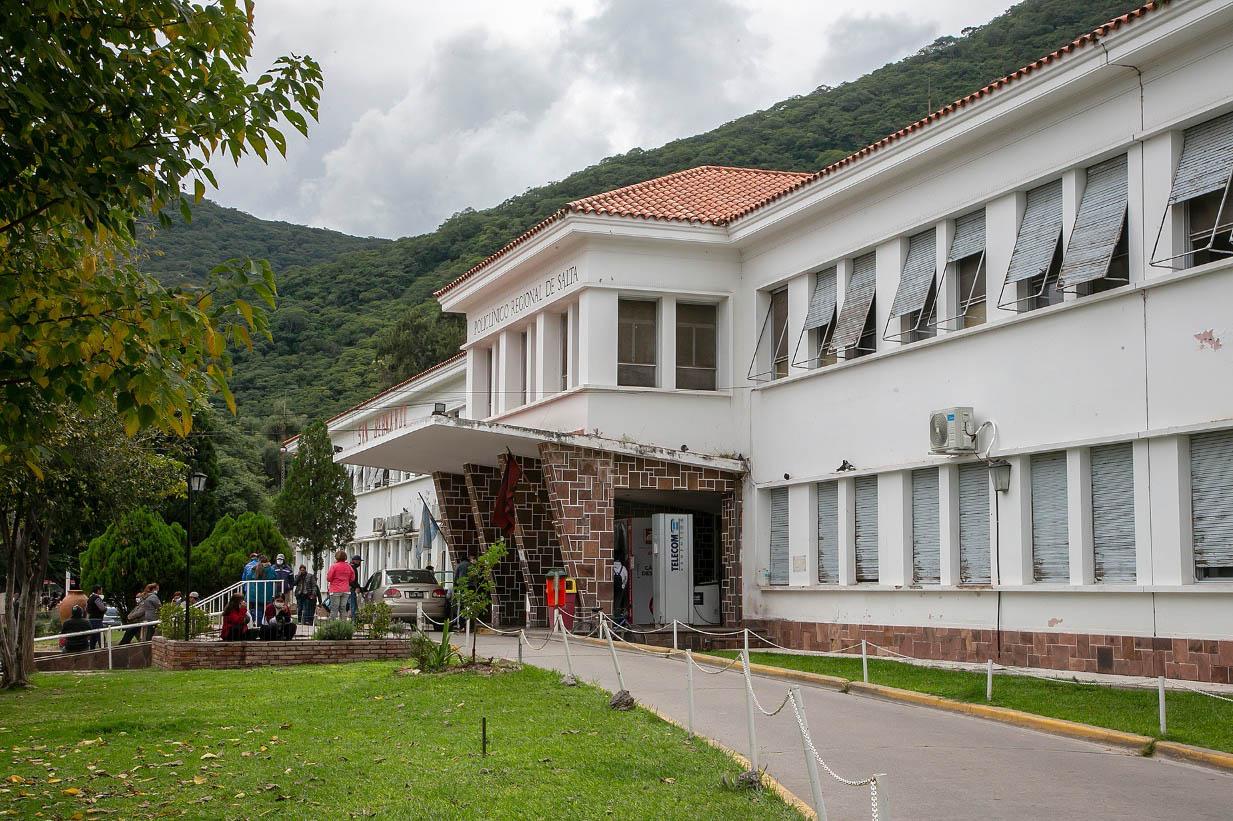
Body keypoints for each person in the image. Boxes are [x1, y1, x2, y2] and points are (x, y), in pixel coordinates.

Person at [325, 550, 354, 621]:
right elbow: (352, 578)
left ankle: (332, 624)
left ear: (336, 557)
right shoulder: (349, 566)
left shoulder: (334, 566)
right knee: (343, 608)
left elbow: (329, 578)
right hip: (346, 590)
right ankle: (343, 624)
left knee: (334, 608)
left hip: (335, 590)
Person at [450, 556, 471, 628]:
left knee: (461, 606)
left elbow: (456, 578)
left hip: (462, 587)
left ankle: (462, 624)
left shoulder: (459, 565)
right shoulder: (471, 565)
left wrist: (455, 589)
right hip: (471, 587)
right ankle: (470, 624)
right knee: (470, 605)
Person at [85, 585, 107, 650]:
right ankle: (103, 652)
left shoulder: (90, 598)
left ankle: (92, 651)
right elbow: (102, 608)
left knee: (93, 637)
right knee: (101, 638)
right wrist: (105, 608)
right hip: (97, 620)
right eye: (101, 590)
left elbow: (86, 609)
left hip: (91, 619)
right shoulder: (96, 598)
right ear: (98, 590)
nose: (102, 591)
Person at [611, 555, 629, 627]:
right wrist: (623, 585)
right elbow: (626, 578)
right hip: (620, 588)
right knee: (620, 604)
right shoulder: (623, 568)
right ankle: (619, 621)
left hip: (613, 588)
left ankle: (614, 621)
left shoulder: (612, 567)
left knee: (613, 604)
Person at [348, 554, 363, 624]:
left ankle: (355, 620)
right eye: (359, 561)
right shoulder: (353, 568)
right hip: (351, 588)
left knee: (353, 605)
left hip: (349, 588)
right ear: (355, 561)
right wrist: (357, 587)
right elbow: (353, 580)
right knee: (353, 605)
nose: (360, 563)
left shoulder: (350, 567)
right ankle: (354, 621)